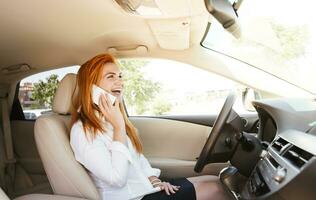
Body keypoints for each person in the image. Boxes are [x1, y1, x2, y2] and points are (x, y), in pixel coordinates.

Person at [70, 54, 230, 200]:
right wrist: (119, 128)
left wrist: (155, 181)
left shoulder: (110, 121)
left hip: (146, 190)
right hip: (132, 197)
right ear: (91, 88)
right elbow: (116, 179)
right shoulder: (83, 131)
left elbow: (137, 160)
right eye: (110, 77)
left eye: (120, 76)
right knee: (216, 190)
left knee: (216, 179)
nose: (120, 81)